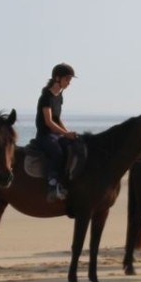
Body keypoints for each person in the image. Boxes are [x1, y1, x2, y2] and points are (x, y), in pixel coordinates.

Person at [36, 63, 80, 203]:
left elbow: (57, 119)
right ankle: (52, 185)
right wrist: (65, 134)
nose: (69, 83)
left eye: (70, 80)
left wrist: (68, 133)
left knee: (72, 147)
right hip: (44, 136)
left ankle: (66, 181)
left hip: (56, 134)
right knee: (57, 152)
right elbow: (49, 122)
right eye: (67, 79)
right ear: (57, 78)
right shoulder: (46, 97)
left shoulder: (59, 96)